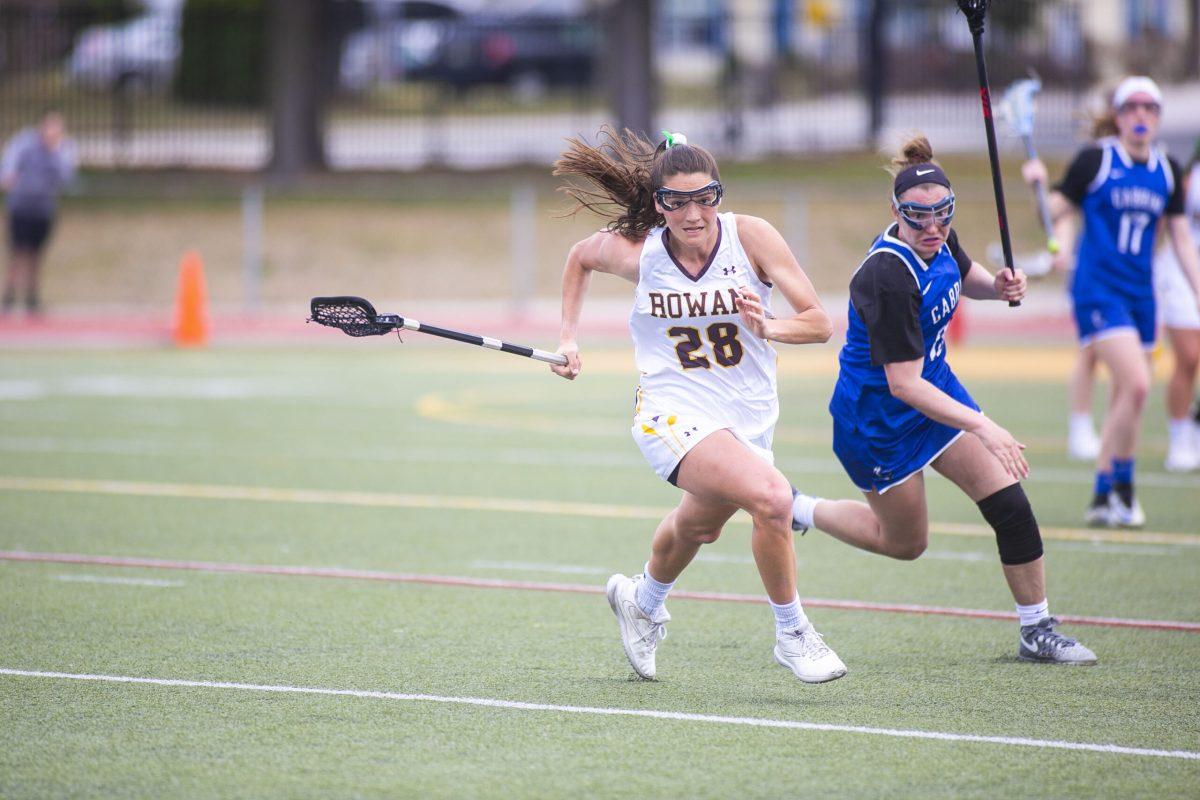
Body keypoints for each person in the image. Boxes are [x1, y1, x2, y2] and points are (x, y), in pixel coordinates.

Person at [550, 128, 847, 684]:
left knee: (698, 527)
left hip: (747, 417)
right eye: (676, 200)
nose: (693, 213)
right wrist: (569, 339)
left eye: (704, 197)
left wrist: (770, 325)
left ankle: (642, 599)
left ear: (719, 195)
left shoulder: (751, 238)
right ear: (658, 203)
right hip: (669, 409)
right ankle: (793, 633)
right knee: (772, 498)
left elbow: (819, 322)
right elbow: (578, 259)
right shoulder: (641, 253)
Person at [788, 134, 1097, 665]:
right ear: (896, 212)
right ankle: (800, 508)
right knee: (906, 543)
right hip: (878, 420)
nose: (933, 228)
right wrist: (982, 423)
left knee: (1011, 505)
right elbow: (903, 385)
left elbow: (966, 275)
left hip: (936, 389)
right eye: (918, 218)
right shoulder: (886, 277)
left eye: (943, 216)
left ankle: (1035, 629)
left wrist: (998, 287)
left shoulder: (938, 237)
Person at [1022, 77, 1200, 524]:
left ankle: (1111, 494)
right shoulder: (1096, 161)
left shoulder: (1167, 170)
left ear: (1158, 117)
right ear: (1119, 116)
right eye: (1132, 108)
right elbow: (1052, 215)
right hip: (1098, 291)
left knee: (1131, 394)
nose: (1141, 115)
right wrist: (1038, 187)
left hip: (1142, 294)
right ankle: (1116, 486)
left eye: (1150, 108)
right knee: (1138, 383)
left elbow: (1181, 240)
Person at [1152, 136, 1200, 472]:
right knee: (1189, 356)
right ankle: (1180, 436)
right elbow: (1166, 226)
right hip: (1183, 270)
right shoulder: (1187, 176)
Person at [1, 110, 77, 314]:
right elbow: (9, 162)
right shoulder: (25, 143)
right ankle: (8, 297)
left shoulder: (62, 150)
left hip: (43, 210)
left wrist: (54, 152)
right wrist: (8, 176)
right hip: (21, 207)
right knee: (17, 252)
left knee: (36, 255)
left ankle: (31, 298)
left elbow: (67, 177)